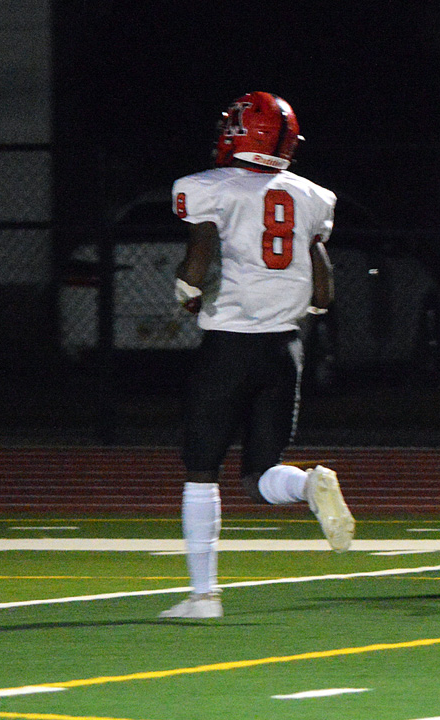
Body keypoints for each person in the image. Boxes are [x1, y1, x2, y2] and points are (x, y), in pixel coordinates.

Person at [160, 91, 355, 619]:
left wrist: (187, 290)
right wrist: (300, 308)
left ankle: (204, 596)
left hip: (229, 345)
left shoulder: (207, 186)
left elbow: (200, 251)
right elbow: (323, 287)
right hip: (285, 348)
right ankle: (309, 484)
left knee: (202, 470)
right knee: (260, 475)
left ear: (240, 131)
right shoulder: (313, 196)